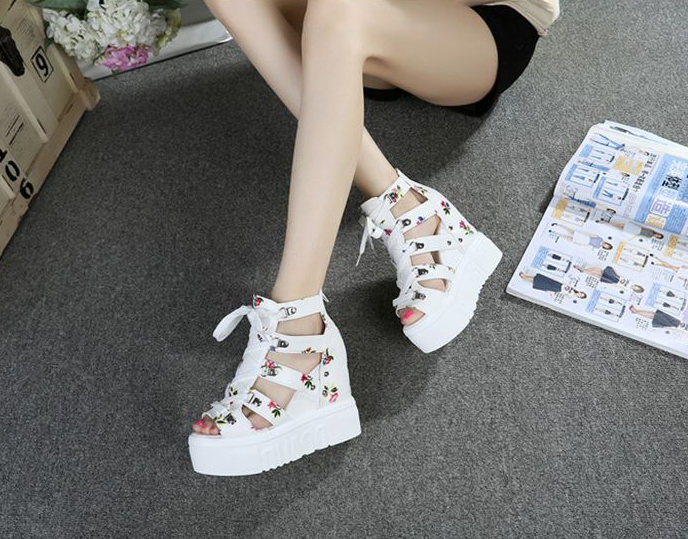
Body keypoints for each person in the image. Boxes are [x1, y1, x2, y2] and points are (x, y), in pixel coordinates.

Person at [188, 0, 561, 476]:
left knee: (342, 14)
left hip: (474, 30)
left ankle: (299, 329)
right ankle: (410, 208)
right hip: (347, 27)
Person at [574, 264, 645, 293]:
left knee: (595, 275)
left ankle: (583, 270)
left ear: (635, 290)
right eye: (637, 287)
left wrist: (609, 283)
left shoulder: (628, 289)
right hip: (615, 276)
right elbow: (622, 276)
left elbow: (618, 287)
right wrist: (615, 271)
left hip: (613, 281)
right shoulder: (632, 281)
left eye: (636, 289)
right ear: (637, 285)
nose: (635, 287)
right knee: (597, 270)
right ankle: (583, 270)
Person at [518, 271, 587, 299]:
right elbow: (565, 284)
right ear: (580, 291)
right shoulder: (573, 289)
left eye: (581, 295)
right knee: (541, 279)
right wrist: (558, 281)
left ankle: (524, 277)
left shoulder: (571, 296)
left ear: (579, 297)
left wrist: (551, 292)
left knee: (540, 283)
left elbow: (563, 294)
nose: (580, 294)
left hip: (556, 288)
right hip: (558, 284)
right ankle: (526, 276)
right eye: (581, 293)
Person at [549, 223, 613, 250]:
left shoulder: (598, 247)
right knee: (570, 231)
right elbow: (591, 234)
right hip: (585, 237)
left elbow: (588, 245)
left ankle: (555, 233)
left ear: (605, 248)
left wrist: (579, 244)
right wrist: (582, 232)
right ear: (607, 243)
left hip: (584, 242)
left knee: (568, 238)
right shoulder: (601, 239)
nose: (605, 246)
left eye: (606, 247)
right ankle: (557, 224)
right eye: (607, 245)